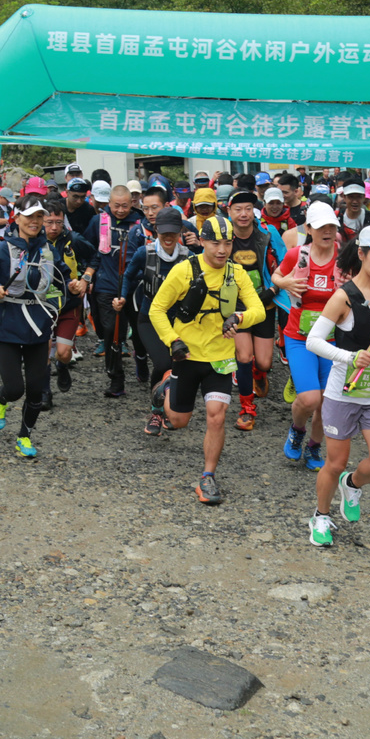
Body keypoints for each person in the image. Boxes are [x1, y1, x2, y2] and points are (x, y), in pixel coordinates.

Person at [149, 214, 266, 504]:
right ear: (202, 241)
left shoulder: (236, 273)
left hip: (220, 359)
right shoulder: (184, 270)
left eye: (227, 243)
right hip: (186, 355)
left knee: (217, 415)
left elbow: (259, 310)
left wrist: (239, 317)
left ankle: (208, 477)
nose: (222, 250)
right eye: (215, 243)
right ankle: (165, 387)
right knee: (179, 421)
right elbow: (156, 309)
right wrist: (172, 340)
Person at [304, 225, 370, 546]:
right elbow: (313, 341)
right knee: (334, 462)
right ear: (362, 254)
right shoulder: (344, 297)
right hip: (344, 394)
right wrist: (349, 357)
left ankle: (352, 484)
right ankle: (321, 517)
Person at [0, 194, 62, 458]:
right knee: (15, 388)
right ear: (16, 218)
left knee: (36, 390)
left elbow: (64, 276)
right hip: (8, 323)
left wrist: (76, 283)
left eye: (39, 216)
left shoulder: (47, 250)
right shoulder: (3, 249)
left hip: (38, 324)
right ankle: (1, 398)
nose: (34, 222)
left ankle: (24, 437)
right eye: (29, 216)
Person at [272, 200, 343, 472]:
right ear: (309, 229)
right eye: (321, 226)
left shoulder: (344, 258)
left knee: (327, 402)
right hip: (299, 337)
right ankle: (297, 429)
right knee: (311, 399)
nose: (328, 231)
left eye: (332, 226)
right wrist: (285, 282)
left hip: (331, 340)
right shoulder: (297, 255)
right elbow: (276, 276)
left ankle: (314, 446)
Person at [125, 205, 192, 436]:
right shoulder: (144, 253)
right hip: (149, 319)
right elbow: (128, 275)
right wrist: (121, 298)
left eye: (173, 232)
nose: (168, 237)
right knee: (163, 364)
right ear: (156, 231)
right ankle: (156, 411)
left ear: (181, 231)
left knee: (179, 365)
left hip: (178, 321)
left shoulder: (189, 257)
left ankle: (171, 409)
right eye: (164, 232)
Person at [224, 189, 286, 428]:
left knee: (264, 363)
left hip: (264, 305)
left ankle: (258, 373)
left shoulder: (268, 233)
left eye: (248, 209)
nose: (243, 214)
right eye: (238, 209)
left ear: (254, 211)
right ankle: (247, 409)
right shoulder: (223, 235)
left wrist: (275, 288)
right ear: (229, 211)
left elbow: (285, 264)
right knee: (243, 356)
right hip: (236, 307)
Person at [79, 180, 145, 396]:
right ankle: (116, 379)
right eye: (116, 205)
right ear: (109, 203)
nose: (121, 210)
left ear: (132, 203)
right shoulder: (99, 221)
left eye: (125, 205)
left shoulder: (140, 223)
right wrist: (88, 275)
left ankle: (141, 360)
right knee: (111, 331)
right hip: (107, 285)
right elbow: (88, 249)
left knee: (139, 331)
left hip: (134, 286)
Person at [40, 196, 94, 406]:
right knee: (43, 351)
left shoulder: (74, 239)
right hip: (42, 305)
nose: (54, 227)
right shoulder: (34, 241)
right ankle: (45, 393)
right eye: (49, 222)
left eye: (58, 222)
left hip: (69, 303)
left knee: (63, 353)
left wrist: (85, 279)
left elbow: (95, 256)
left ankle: (62, 366)